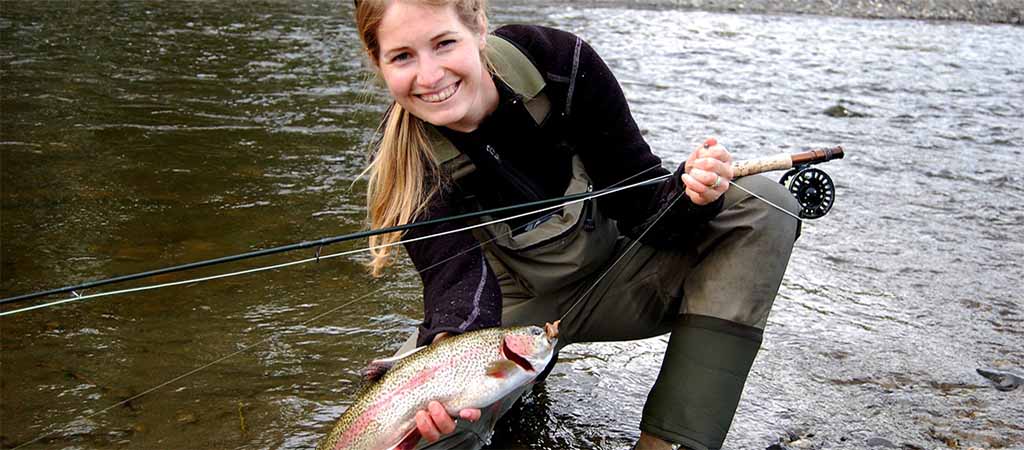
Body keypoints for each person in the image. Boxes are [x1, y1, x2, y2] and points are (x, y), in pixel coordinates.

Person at [352, 0, 800, 449]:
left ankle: (667, 442)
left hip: (621, 282)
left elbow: (643, 205)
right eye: (403, 56)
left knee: (765, 205)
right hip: (501, 320)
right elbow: (458, 287)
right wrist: (448, 366)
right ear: (378, 61)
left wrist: (693, 195)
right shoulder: (401, 164)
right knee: (410, 426)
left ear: (479, 27)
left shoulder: (559, 64)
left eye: (444, 43)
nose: (429, 77)